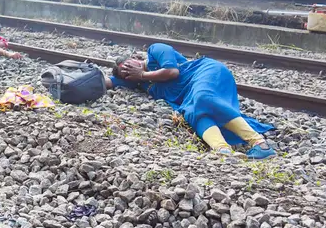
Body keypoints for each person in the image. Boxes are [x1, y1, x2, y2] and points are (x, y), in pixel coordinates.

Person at [108, 43, 277, 159]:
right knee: (192, 114)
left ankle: (260, 144)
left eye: (129, 65)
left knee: (203, 96)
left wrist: (142, 74)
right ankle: (223, 151)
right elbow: (107, 81)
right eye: (126, 73)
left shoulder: (156, 51)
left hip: (205, 72)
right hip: (190, 98)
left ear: (135, 58)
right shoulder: (141, 82)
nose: (129, 71)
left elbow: (172, 72)